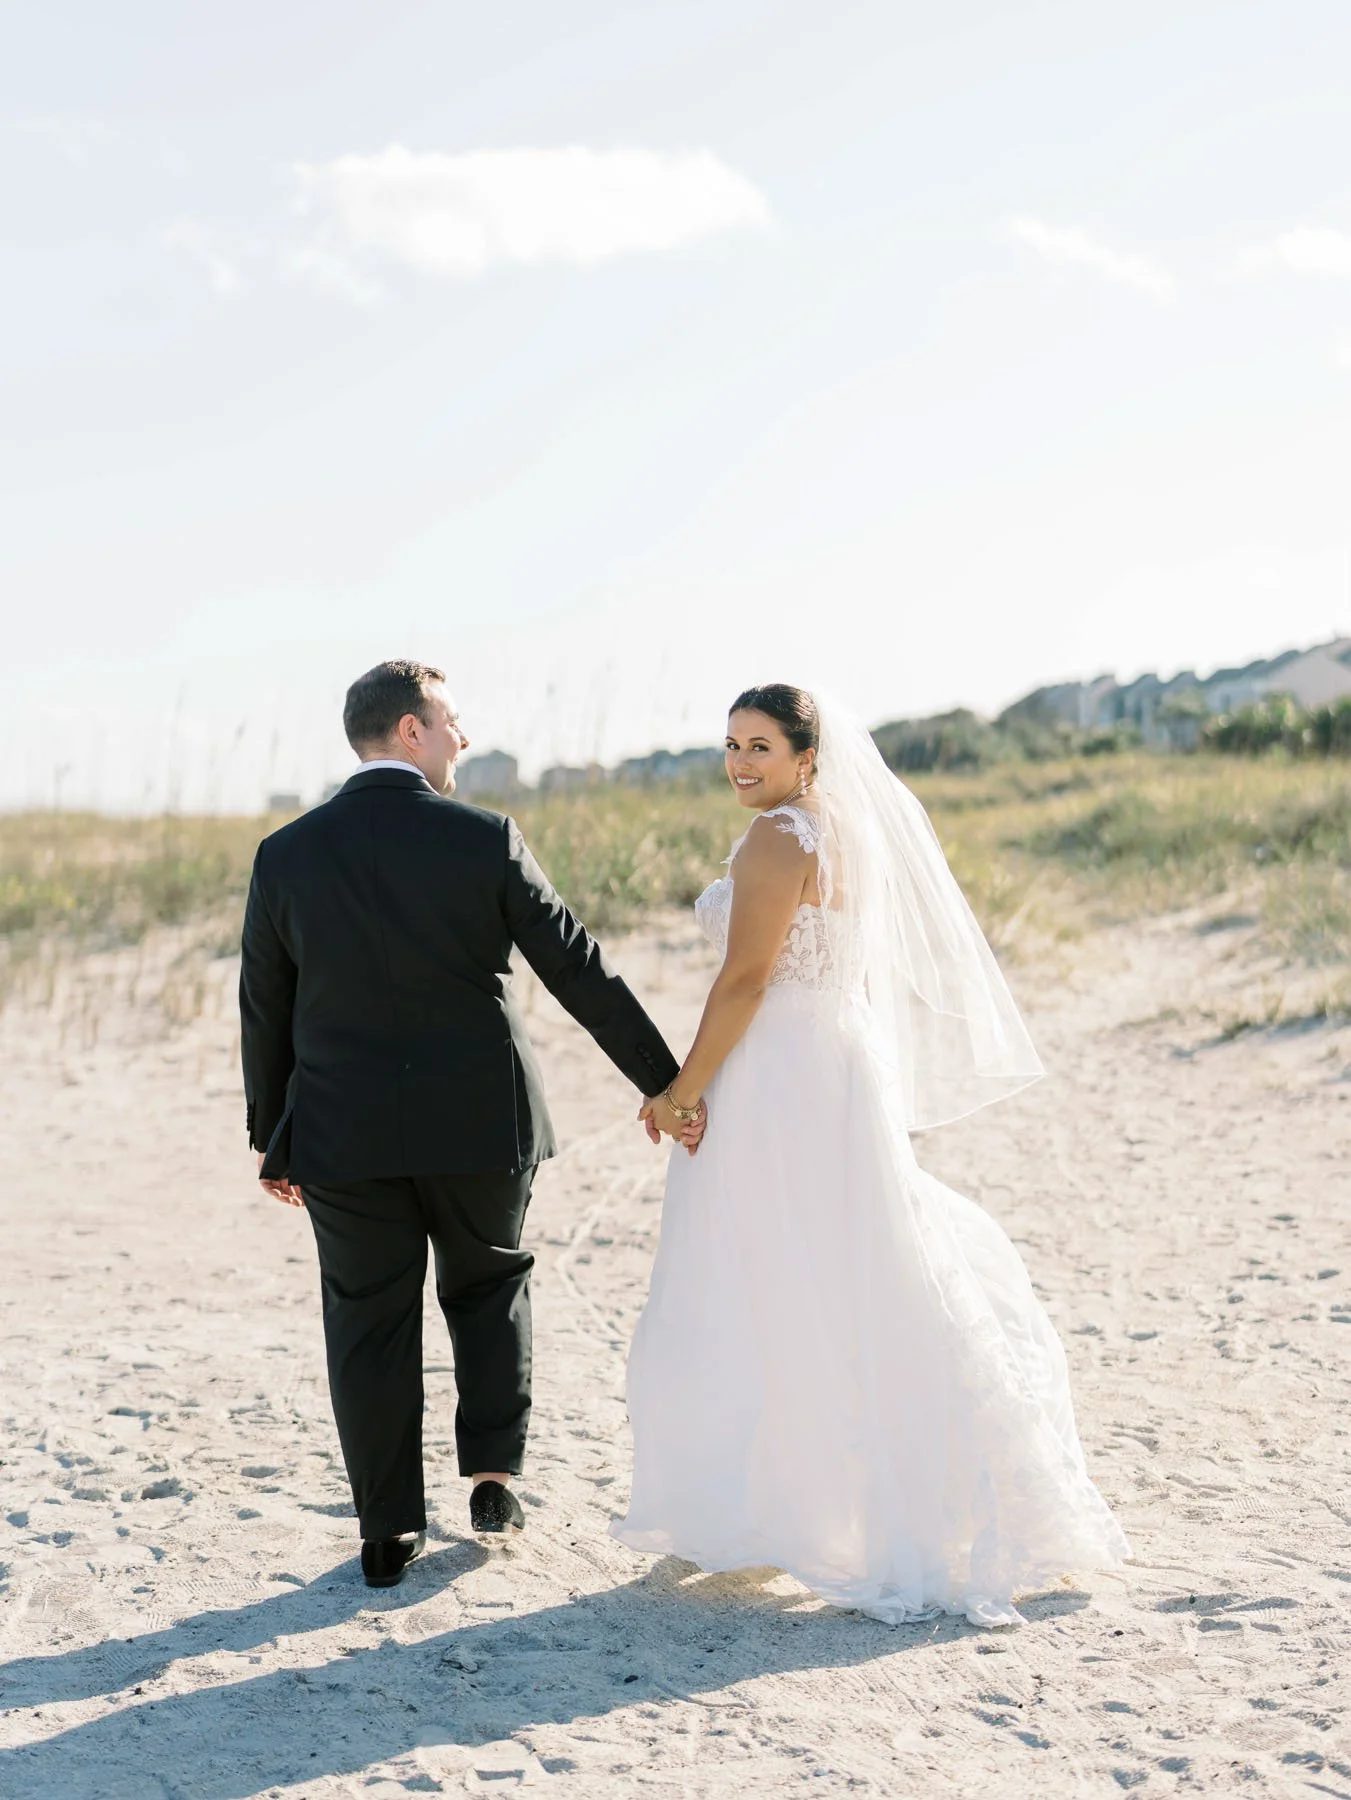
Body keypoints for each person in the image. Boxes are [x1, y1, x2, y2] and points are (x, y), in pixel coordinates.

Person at [614, 683, 1129, 1626]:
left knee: (762, 1271)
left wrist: (682, 1091)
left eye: (760, 747)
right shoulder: (844, 828)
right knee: (852, 1263)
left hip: (780, 1072)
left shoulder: (778, 838)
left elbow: (745, 978)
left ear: (807, 756)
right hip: (839, 1059)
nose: (739, 763)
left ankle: (777, 1503)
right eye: (730, 745)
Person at [239, 659, 699, 1588]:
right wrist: (667, 1083)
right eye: (450, 721)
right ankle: (493, 1482)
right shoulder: (485, 838)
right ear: (410, 731)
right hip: (482, 1118)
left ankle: (385, 1530)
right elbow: (577, 968)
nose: (462, 738)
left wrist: (271, 1135)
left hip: (343, 1131)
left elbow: (264, 1007)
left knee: (366, 1321)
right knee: (488, 1288)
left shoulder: (284, 854)